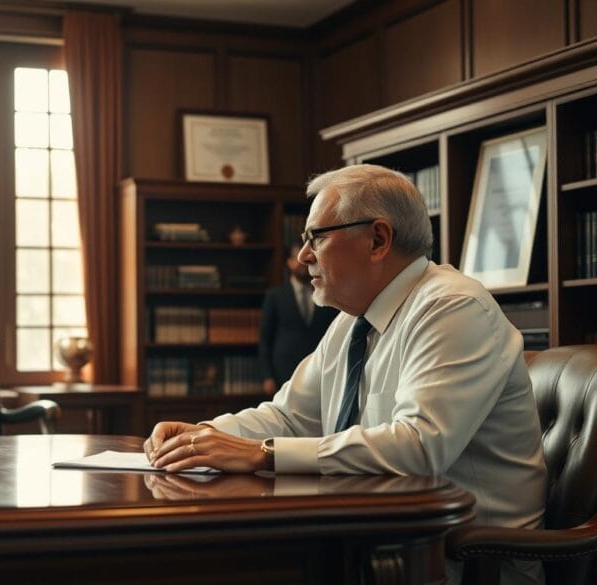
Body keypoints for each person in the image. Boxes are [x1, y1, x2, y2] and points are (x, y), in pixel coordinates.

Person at [144, 164, 546, 583]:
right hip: (376, 543)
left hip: (464, 562)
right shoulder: (353, 320)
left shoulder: (454, 307)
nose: (303, 256)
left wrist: (263, 453)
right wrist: (199, 436)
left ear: (377, 239)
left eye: (316, 236)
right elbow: (289, 416)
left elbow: (420, 447)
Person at [259, 243, 338, 394]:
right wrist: (267, 376)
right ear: (289, 262)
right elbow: (265, 340)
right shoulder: (275, 296)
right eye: (296, 257)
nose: (302, 262)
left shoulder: (325, 293)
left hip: (318, 370)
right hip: (284, 371)